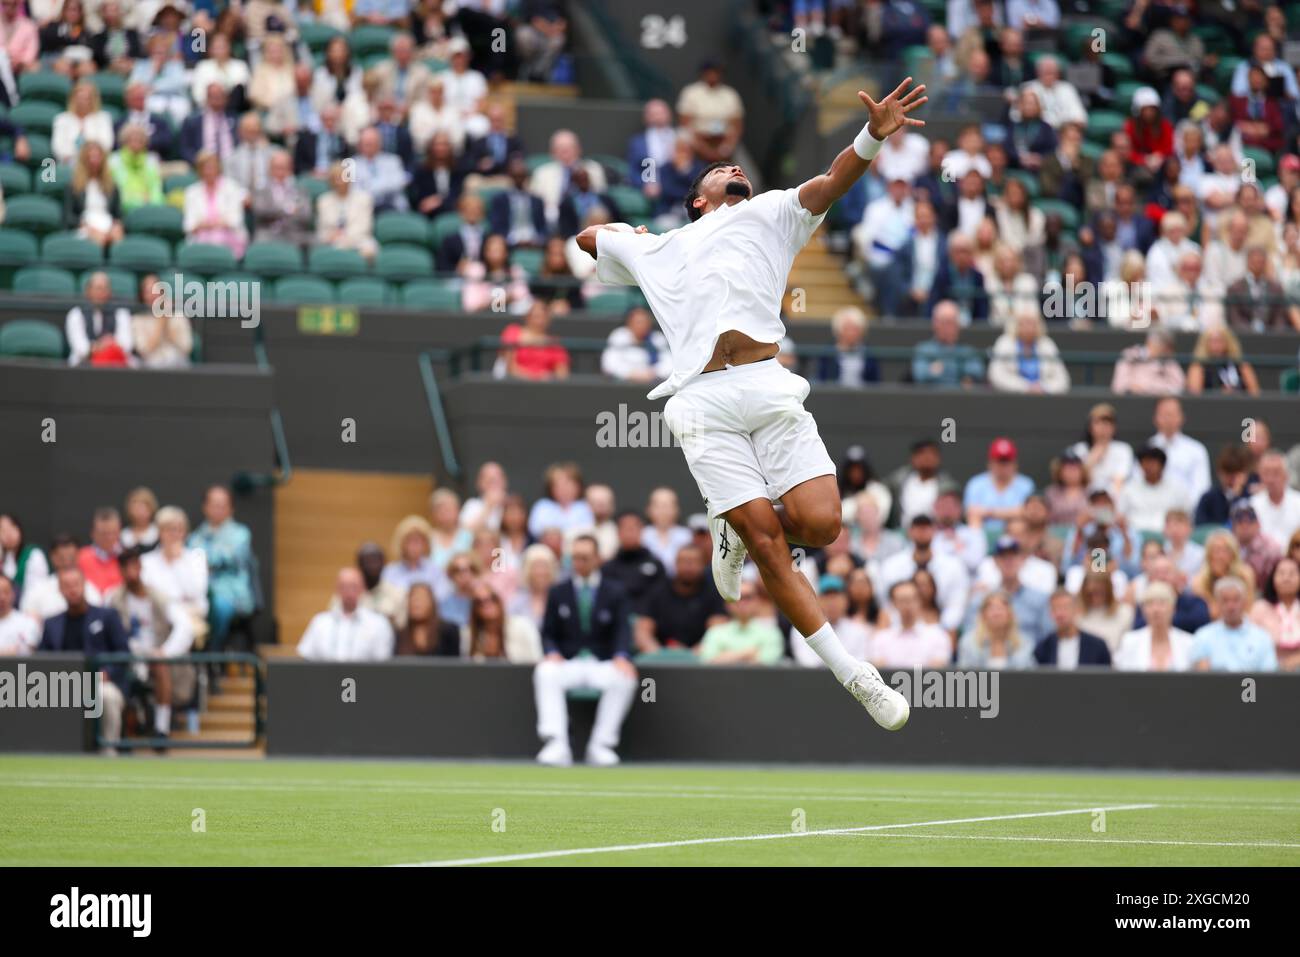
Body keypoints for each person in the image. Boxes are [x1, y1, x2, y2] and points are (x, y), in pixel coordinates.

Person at [580, 77, 926, 730]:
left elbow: (830, 182)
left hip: (768, 386)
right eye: (720, 170)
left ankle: (732, 524)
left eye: (737, 167)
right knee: (770, 545)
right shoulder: (660, 247)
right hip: (702, 402)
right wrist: (627, 239)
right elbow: (587, 238)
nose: (734, 168)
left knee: (821, 525)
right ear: (698, 200)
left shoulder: (769, 211)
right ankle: (855, 674)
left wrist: (873, 135)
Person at [532, 535, 637, 766]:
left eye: (585, 558)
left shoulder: (615, 592)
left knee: (625, 677)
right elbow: (548, 631)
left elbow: (623, 628)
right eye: (575, 558)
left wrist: (621, 656)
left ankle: (601, 745)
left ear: (597, 559)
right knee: (545, 671)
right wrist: (551, 651)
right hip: (568, 663)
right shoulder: (558, 591)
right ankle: (556, 743)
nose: (579, 563)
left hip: (602, 663)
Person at [106, 545, 192, 743]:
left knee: (159, 665)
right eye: (125, 567)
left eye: (134, 566)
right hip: (126, 657)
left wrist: (164, 651)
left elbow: (184, 627)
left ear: (140, 567)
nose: (130, 572)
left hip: (155, 657)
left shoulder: (159, 597)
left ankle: (161, 729)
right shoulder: (114, 598)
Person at [38, 568, 129, 752]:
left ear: (84, 586)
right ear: (60, 590)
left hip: (100, 683)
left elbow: (123, 653)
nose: (73, 590)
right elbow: (42, 659)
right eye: (67, 586)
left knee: (105, 696)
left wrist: (107, 673)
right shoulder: (51, 623)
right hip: (62, 684)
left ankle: (108, 750)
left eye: (76, 585)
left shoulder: (107, 616)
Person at [299, 567, 395, 662]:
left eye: (353, 586)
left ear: (363, 588)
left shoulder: (379, 623)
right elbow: (307, 657)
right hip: (324, 676)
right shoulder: (320, 621)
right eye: (343, 587)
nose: (349, 592)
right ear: (337, 589)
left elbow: (382, 662)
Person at [1191, 577, 1278, 672]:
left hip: (1252, 686)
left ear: (1245, 603)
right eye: (1225, 600)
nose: (1231, 606)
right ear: (1217, 604)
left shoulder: (1262, 637)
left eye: (1236, 600)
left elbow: (1268, 677)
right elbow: (1201, 678)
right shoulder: (1203, 636)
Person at [868, 579, 951, 669]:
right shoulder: (881, 638)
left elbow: (937, 670)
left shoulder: (938, 635)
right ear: (894, 603)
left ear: (920, 600)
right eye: (902, 600)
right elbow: (879, 670)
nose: (907, 605)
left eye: (911, 599)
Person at [1114, 581, 1196, 671]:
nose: (1156, 609)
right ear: (1143, 610)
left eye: (1162, 603)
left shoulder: (1189, 642)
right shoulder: (1129, 641)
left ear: (1173, 609)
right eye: (1150, 604)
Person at [699, 581, 784, 665]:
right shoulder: (715, 632)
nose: (742, 603)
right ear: (727, 603)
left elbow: (767, 663)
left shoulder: (771, 632)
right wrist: (747, 653)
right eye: (736, 597)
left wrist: (726, 656)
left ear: (757, 601)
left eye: (748, 597)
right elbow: (708, 662)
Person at [956, 591, 1036, 670]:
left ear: (1010, 614)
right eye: (992, 609)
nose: (996, 613)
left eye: (1001, 608)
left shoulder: (1025, 643)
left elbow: (1030, 675)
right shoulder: (968, 643)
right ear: (983, 614)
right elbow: (965, 676)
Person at [1035, 589, 1111, 669]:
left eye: (1065, 607)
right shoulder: (1043, 647)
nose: (1059, 614)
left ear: (1076, 610)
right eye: (1055, 608)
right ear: (1050, 613)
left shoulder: (1097, 646)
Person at [393, 582, 459, 657]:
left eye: (421, 598)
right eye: (413, 598)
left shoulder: (448, 632)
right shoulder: (399, 635)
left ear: (432, 602)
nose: (416, 603)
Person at [0, 574, 39, 655]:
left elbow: (27, 651)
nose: (2, 597)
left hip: (19, 667)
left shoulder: (27, 622)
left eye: (6, 592)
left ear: (13, 594)